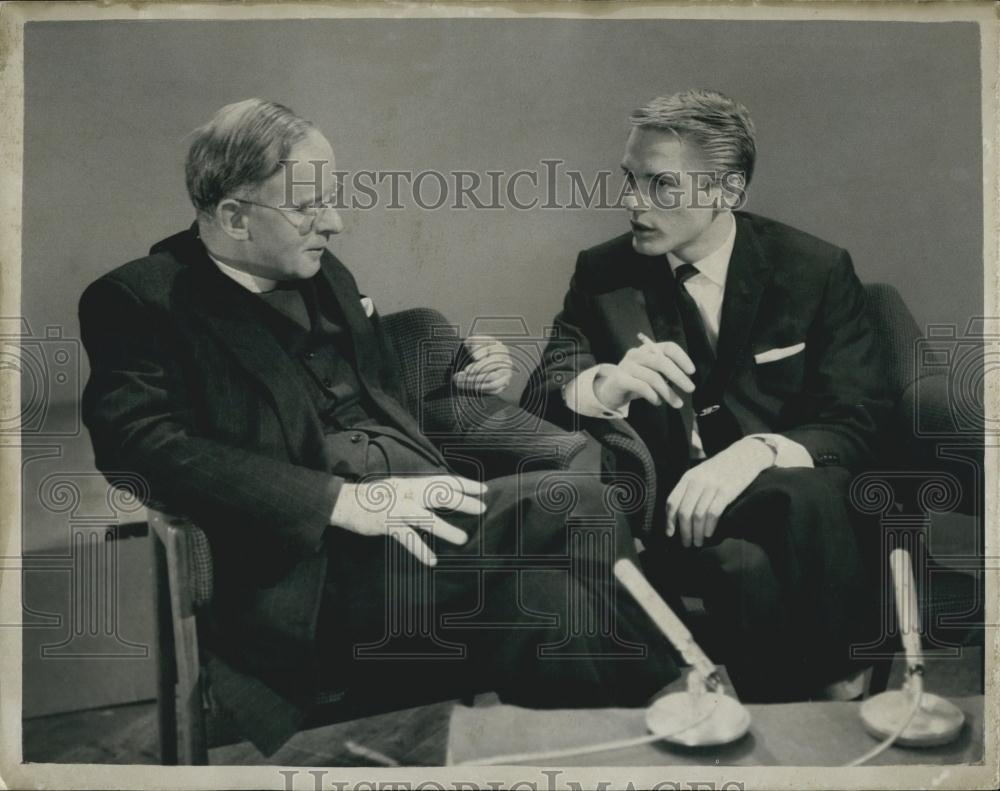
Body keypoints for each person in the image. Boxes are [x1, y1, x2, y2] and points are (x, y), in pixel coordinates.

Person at [79, 99, 679, 756]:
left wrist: (458, 363)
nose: (333, 222)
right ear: (232, 217)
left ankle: (602, 761)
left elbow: (365, 376)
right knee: (579, 502)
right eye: (308, 206)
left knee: (549, 600)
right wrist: (343, 501)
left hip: (424, 532)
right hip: (311, 575)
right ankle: (677, 700)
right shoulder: (141, 300)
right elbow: (140, 445)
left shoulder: (321, 271)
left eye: (330, 200)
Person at [523, 89, 892, 702]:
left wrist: (756, 454)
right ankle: (839, 695)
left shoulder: (813, 269)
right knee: (743, 563)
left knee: (761, 543)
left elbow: (859, 420)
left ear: (728, 192)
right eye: (629, 180)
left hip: (790, 509)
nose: (632, 203)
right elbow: (542, 395)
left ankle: (804, 702)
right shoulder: (603, 272)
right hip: (669, 513)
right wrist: (603, 385)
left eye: (661, 185)